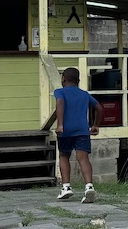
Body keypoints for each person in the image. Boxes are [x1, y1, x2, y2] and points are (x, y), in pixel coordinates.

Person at [41, 67, 101, 202]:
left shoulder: (60, 92)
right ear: (78, 81)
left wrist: (60, 124)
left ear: (63, 79)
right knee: (83, 158)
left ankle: (66, 187)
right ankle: (89, 186)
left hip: (66, 130)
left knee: (64, 156)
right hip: (82, 130)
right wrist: (96, 125)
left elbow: (60, 103)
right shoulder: (84, 94)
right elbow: (98, 107)